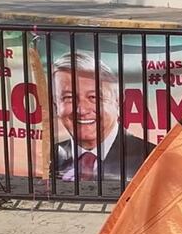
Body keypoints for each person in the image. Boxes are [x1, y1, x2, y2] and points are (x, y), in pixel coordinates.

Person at [51, 51, 155, 182]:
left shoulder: (152, 158)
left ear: (117, 100)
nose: (81, 110)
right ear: (56, 104)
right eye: (69, 98)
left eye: (94, 97)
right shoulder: (45, 158)